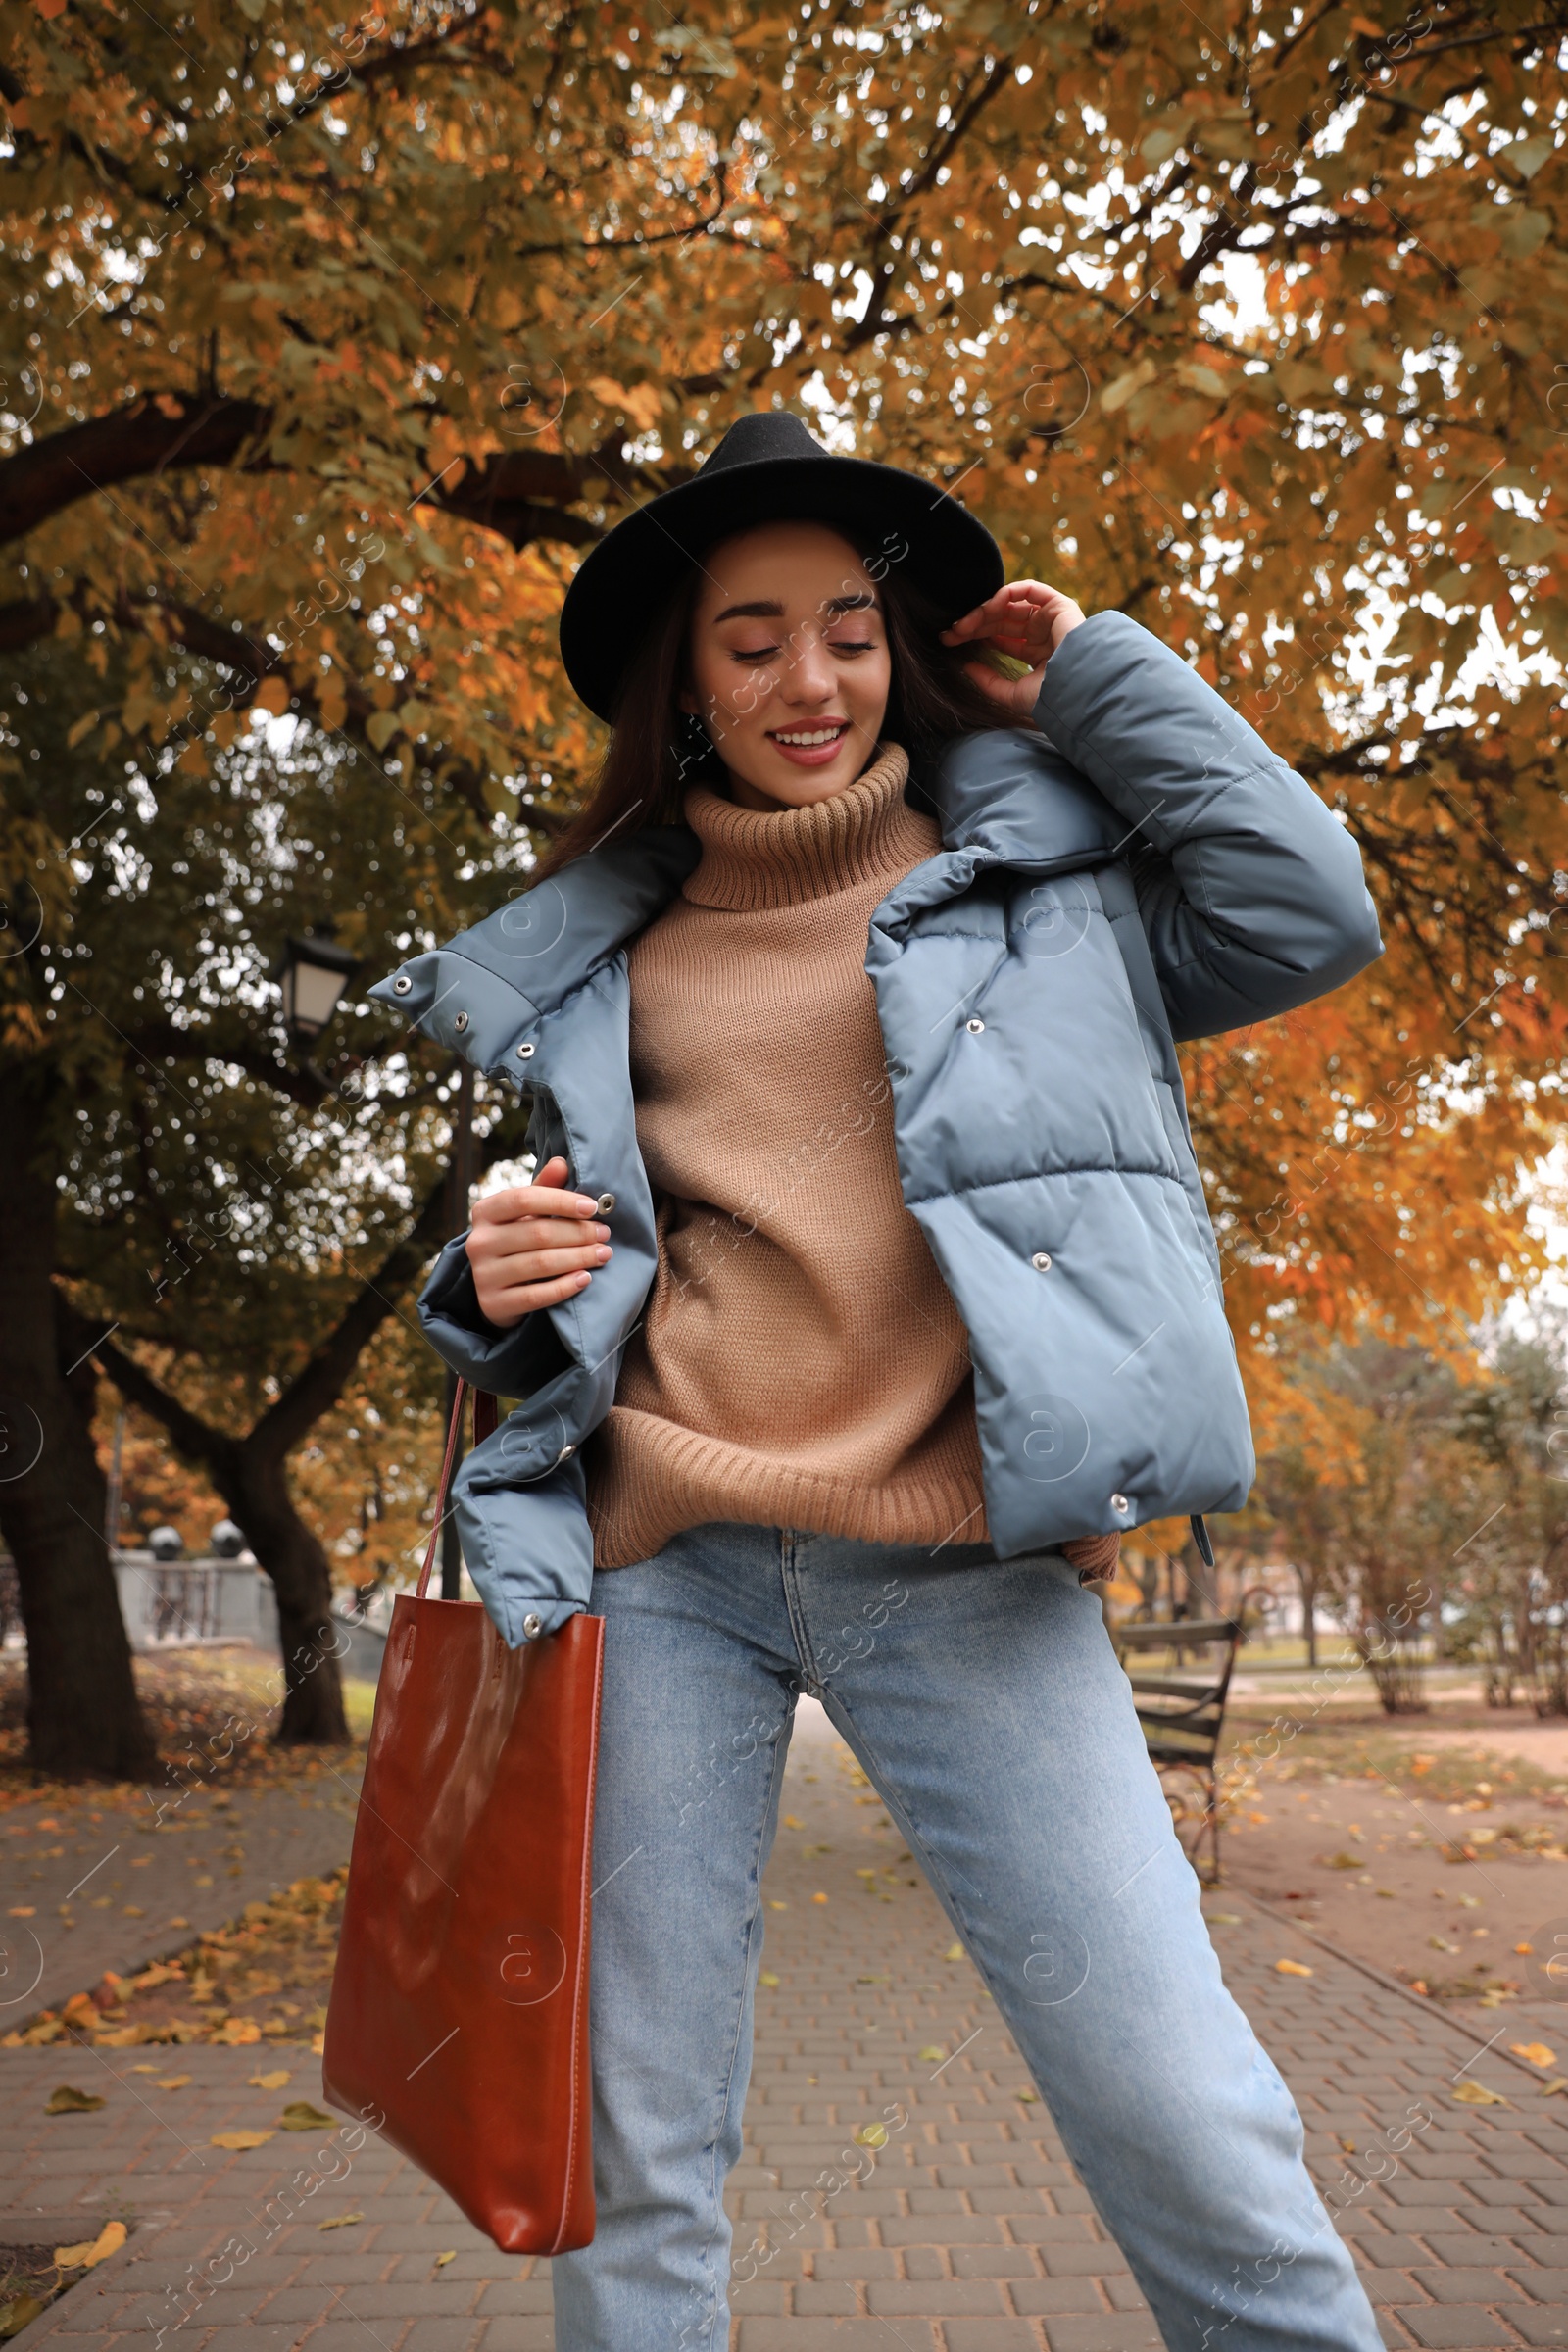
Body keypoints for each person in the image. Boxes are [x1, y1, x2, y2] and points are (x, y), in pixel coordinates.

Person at [371, 412, 1384, 2350]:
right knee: (628, 2154)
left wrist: (1089, 664)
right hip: (660, 1572)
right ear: (684, 674)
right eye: (748, 639)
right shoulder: (604, 949)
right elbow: (580, 1275)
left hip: (966, 1571)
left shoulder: (1051, 882)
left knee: (1178, 2112)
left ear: (900, 643)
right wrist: (491, 1279)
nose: (805, 678)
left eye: (844, 625)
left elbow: (1303, 907)